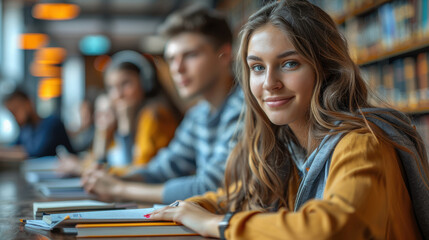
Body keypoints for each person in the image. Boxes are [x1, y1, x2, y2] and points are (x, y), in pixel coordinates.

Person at [147, 1, 429, 239]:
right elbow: (231, 197)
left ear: (327, 68)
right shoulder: (285, 149)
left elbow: (331, 228)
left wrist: (215, 223)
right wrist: (186, 209)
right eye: (257, 67)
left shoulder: (364, 142)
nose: (270, 83)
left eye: (289, 63)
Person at [82, 6, 244, 204]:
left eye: (190, 55)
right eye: (172, 59)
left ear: (225, 55)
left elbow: (212, 187)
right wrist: (114, 179)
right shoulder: (199, 113)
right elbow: (163, 168)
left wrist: (120, 189)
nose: (177, 68)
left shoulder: (243, 107)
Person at [57, 51, 180, 176]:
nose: (118, 95)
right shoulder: (116, 116)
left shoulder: (154, 115)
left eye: (125, 84)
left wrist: (81, 168)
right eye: (111, 88)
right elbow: (99, 161)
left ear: (145, 84)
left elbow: (140, 172)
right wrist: (102, 133)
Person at [0, 89, 75, 158]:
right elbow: (13, 147)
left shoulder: (52, 123)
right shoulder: (25, 130)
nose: (15, 117)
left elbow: (36, 153)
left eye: (16, 110)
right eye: (12, 114)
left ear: (28, 102)